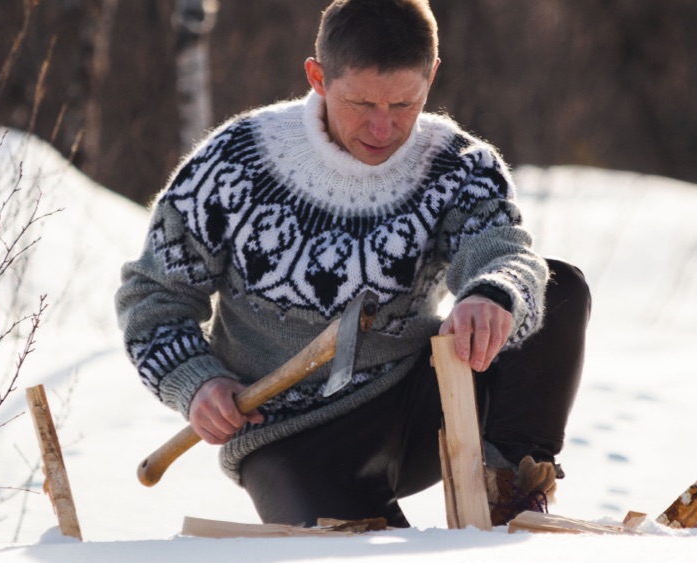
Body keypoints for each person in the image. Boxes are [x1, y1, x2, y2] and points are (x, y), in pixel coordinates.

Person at [116, 0, 590, 528]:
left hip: (414, 399)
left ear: (432, 76)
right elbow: (152, 297)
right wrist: (195, 381)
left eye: (405, 104)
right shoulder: (234, 163)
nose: (383, 128)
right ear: (318, 76)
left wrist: (492, 292)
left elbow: (505, 251)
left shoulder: (458, 165)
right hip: (285, 434)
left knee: (560, 287)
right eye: (361, 102)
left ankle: (510, 492)